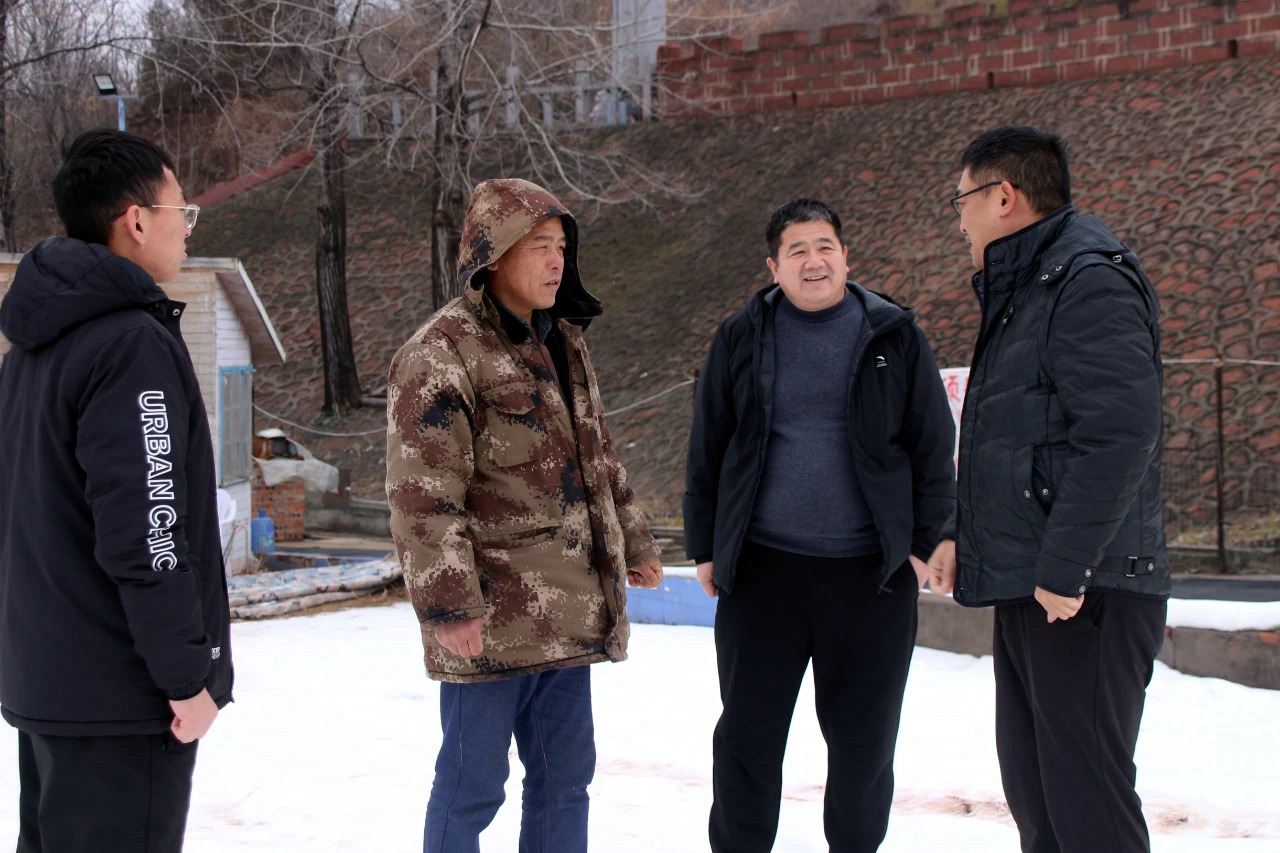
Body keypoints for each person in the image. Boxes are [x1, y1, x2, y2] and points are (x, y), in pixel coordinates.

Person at [386, 177, 664, 853]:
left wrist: (634, 540)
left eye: (561, 246)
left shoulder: (563, 340)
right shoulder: (440, 352)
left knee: (565, 782)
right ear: (494, 251)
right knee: (472, 788)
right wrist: (450, 606)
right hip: (491, 622)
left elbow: (598, 452)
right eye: (539, 244)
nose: (556, 260)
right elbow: (423, 496)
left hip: (569, 614)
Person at [683, 198, 957, 852]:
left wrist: (928, 541)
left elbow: (932, 444)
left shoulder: (893, 334)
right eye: (798, 250)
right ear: (773, 267)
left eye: (825, 246)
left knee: (864, 747)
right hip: (762, 573)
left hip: (871, 579)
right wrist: (706, 545)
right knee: (746, 740)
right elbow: (709, 446)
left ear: (846, 257)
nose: (814, 260)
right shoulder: (740, 336)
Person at [929, 125, 1170, 853]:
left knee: (1086, 806)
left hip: (1084, 589)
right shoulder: (1029, 285)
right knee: (1039, 799)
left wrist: (1065, 567)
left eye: (962, 199)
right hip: (1038, 584)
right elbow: (1012, 441)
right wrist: (961, 532)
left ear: (1003, 196)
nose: (958, 218)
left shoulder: (1086, 279)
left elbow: (1121, 434)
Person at [0, 129, 231, 852]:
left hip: (49, 681)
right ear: (135, 220)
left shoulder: (36, 343)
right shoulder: (128, 344)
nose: (187, 229)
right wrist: (187, 676)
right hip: (121, 700)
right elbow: (149, 527)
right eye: (181, 211)